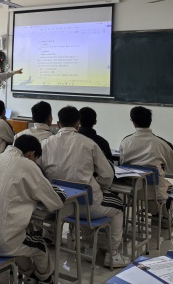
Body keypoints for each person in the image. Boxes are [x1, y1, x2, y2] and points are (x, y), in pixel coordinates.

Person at [0, 134, 65, 284]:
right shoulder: (28, 166)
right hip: (3, 242)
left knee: (22, 241)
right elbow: (55, 202)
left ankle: (30, 275)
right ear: (31, 154)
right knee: (39, 245)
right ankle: (45, 279)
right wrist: (58, 191)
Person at [41, 106, 129, 267]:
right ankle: (113, 254)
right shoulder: (88, 144)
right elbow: (107, 174)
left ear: (58, 124)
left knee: (87, 205)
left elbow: (39, 173)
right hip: (88, 206)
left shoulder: (45, 144)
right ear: (77, 124)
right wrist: (101, 188)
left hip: (59, 205)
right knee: (118, 206)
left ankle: (89, 246)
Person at [119, 106, 173, 214]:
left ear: (133, 122)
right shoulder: (161, 143)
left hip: (133, 190)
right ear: (150, 121)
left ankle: (154, 213)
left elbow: (122, 163)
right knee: (169, 187)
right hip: (155, 192)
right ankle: (162, 218)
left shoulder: (125, 142)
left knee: (154, 190)